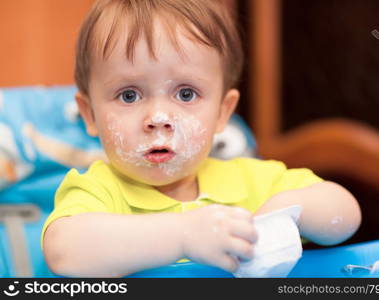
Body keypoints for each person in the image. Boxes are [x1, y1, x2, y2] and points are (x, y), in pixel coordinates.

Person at [42, 0, 361, 277]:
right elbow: (64, 252)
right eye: (128, 95)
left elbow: (345, 215)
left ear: (223, 112)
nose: (158, 119)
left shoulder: (252, 180)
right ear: (90, 115)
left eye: (185, 93)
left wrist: (290, 210)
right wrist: (183, 237)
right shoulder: (97, 192)